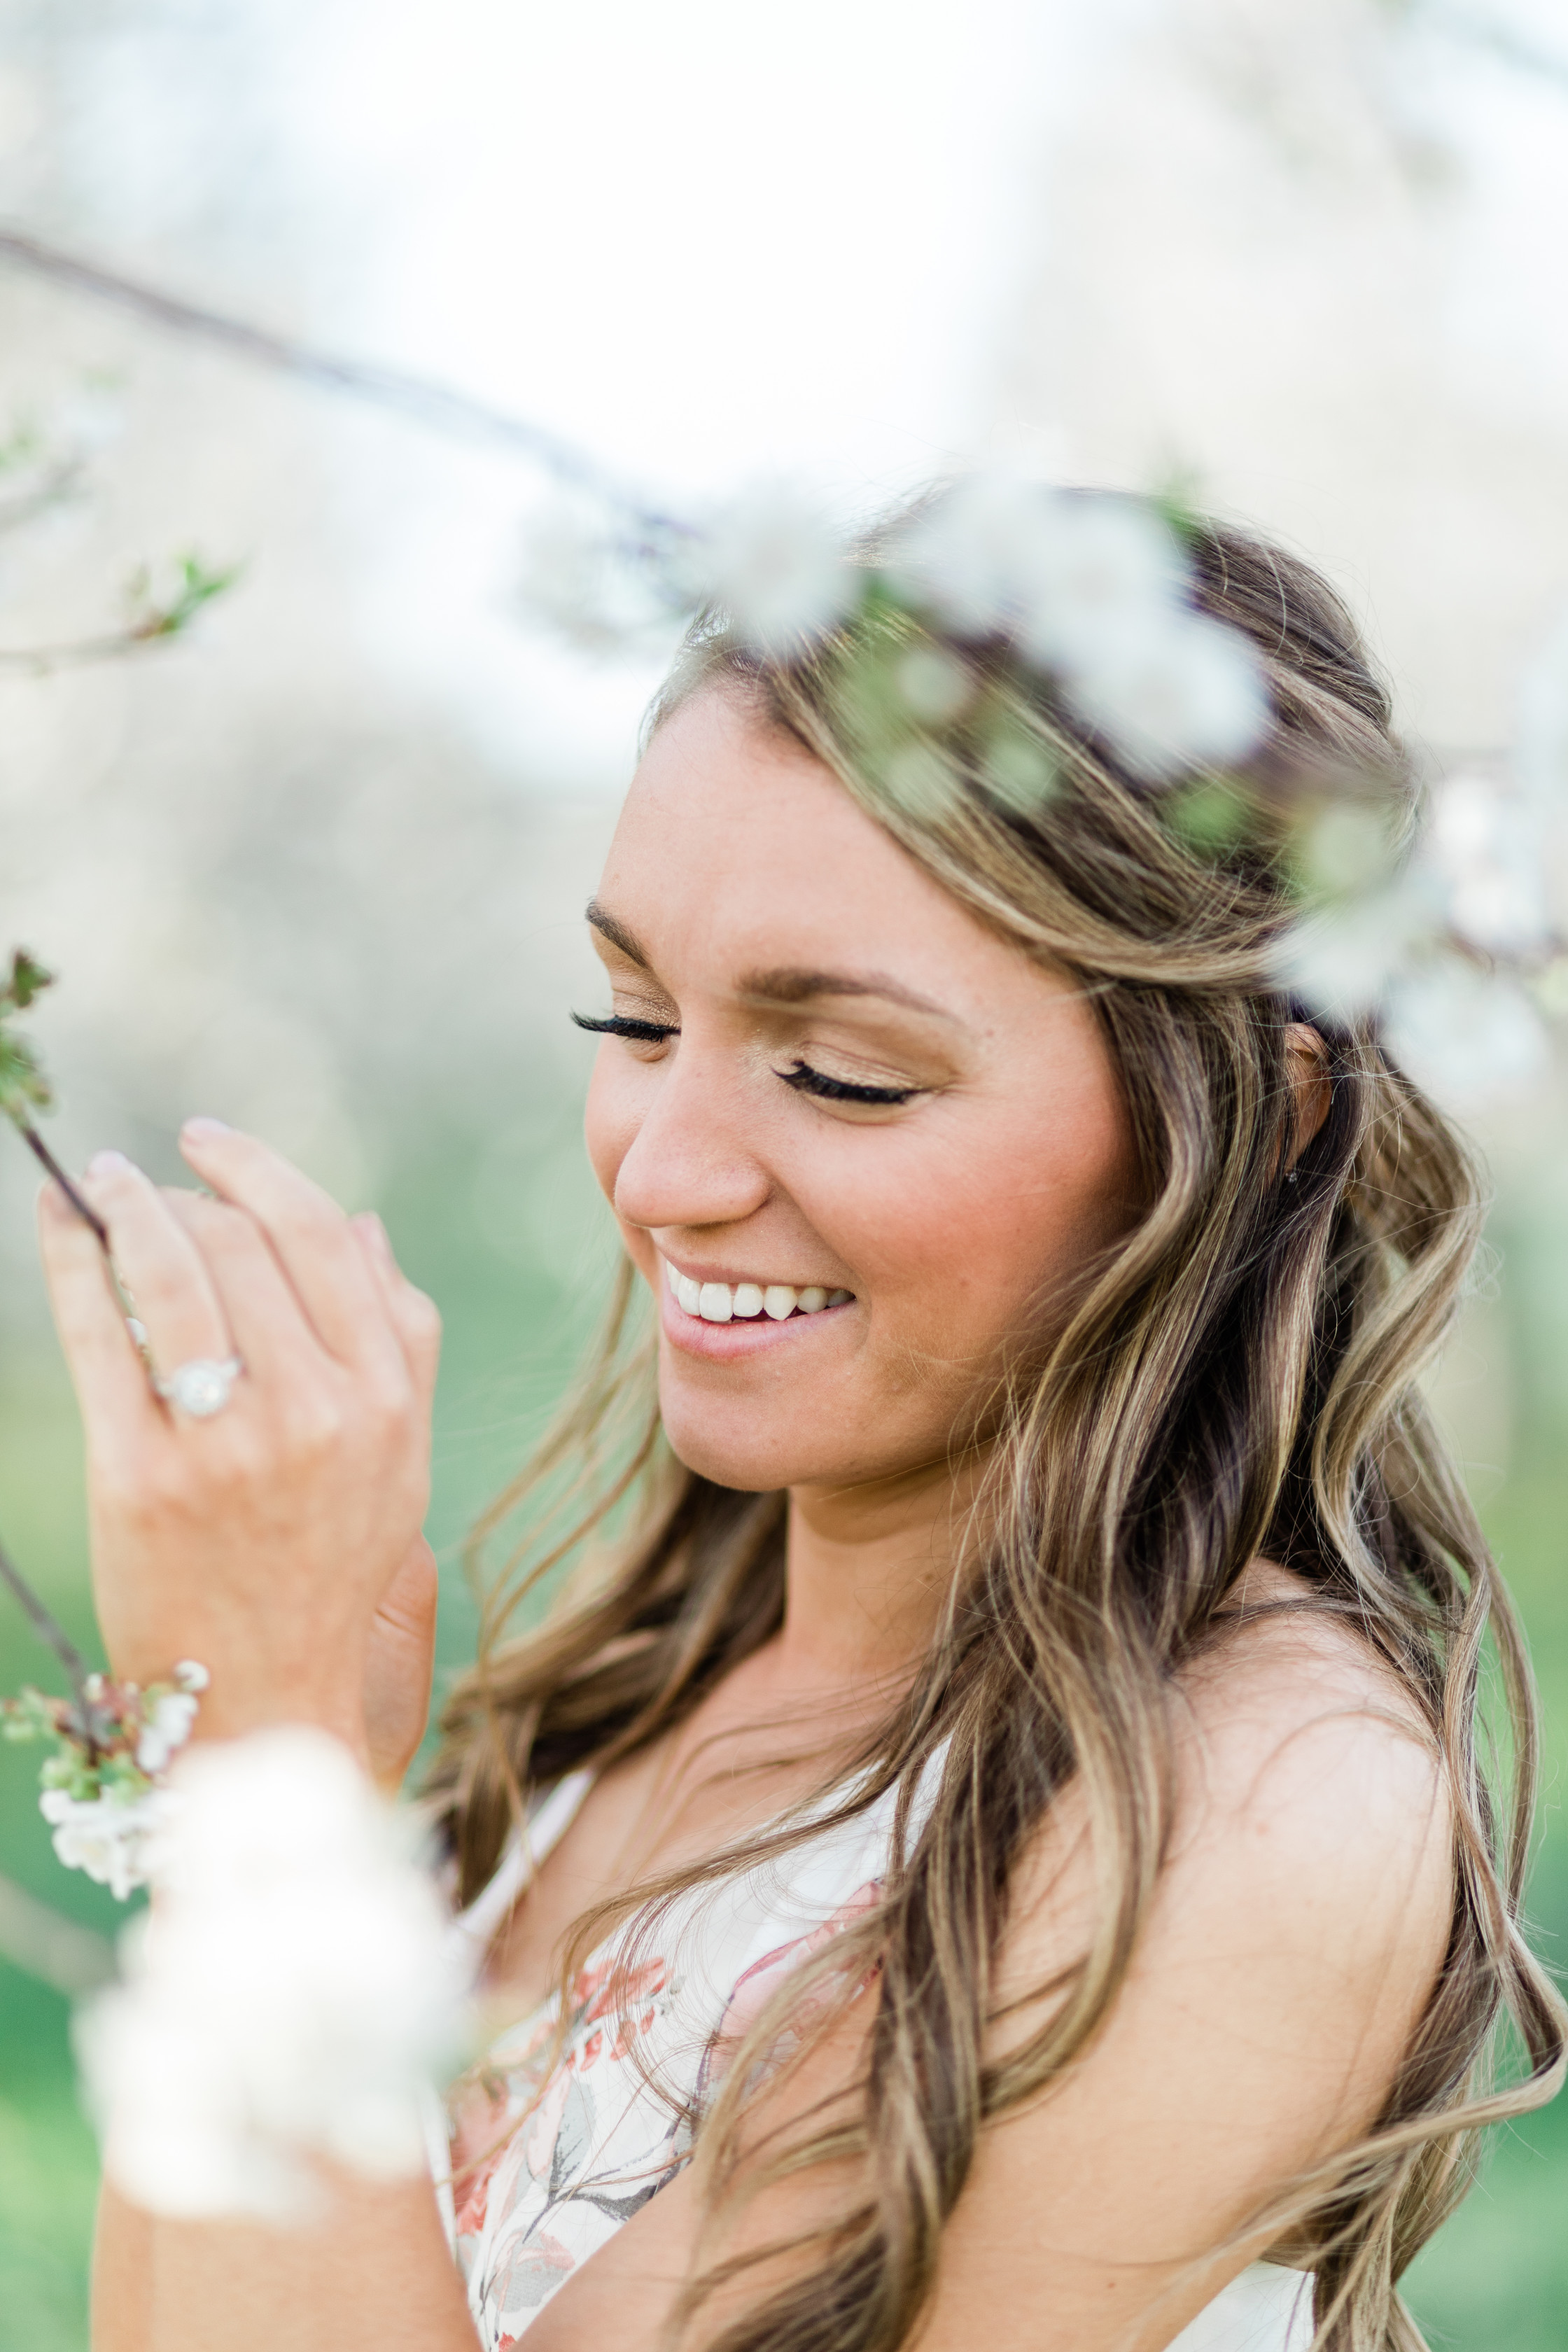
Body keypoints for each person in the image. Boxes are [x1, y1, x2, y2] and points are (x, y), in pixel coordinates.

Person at [41, 494, 1565, 2352]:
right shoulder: (644, 1697)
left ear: (1259, 1115)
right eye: (632, 1020)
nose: (664, 1173)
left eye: (844, 1071)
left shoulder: (1247, 1804)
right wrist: (286, 1794)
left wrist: (263, 1766)